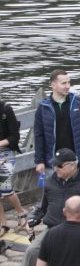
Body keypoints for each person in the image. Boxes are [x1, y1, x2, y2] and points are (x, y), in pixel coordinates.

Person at [34, 70, 80, 176]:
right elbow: (38, 135)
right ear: (53, 85)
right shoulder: (43, 108)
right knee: (55, 191)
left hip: (76, 160)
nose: (67, 86)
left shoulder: (78, 103)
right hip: (53, 161)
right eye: (63, 83)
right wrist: (39, 161)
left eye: (69, 82)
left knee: (77, 191)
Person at [0, 100, 28, 234]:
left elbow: (14, 137)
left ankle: (21, 212)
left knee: (6, 189)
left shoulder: (6, 109)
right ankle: (3, 224)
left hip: (5, 152)